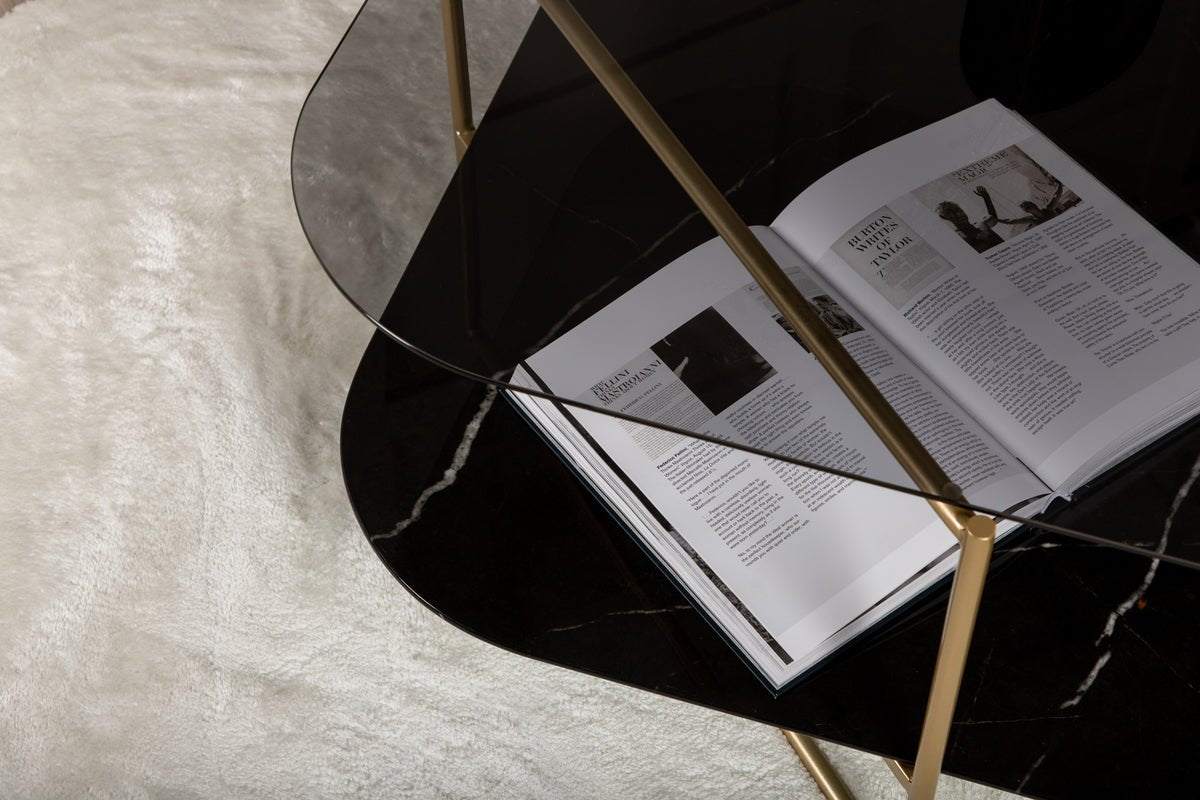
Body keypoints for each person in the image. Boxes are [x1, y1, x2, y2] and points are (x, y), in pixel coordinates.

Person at [935, 186, 1005, 253]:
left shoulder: (980, 225)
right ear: (947, 218)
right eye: (951, 214)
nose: (958, 214)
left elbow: (993, 218)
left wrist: (986, 198)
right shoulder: (959, 238)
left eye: (958, 210)